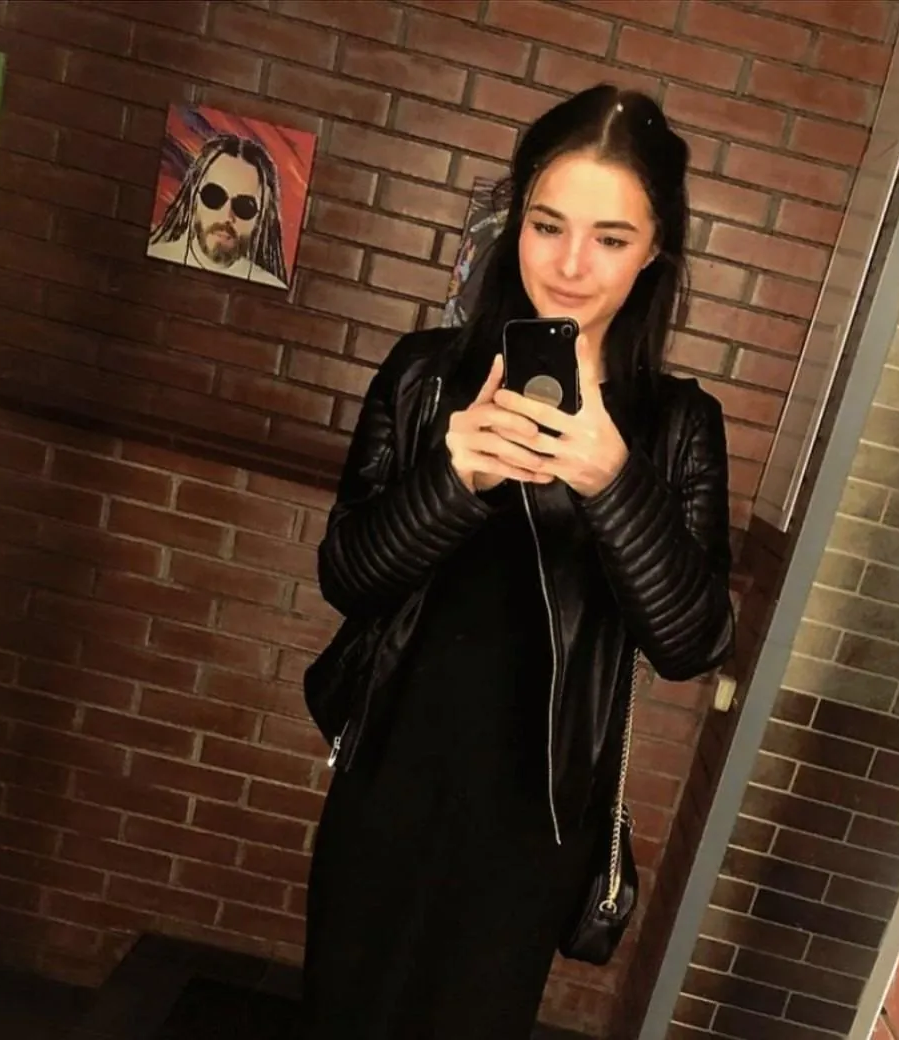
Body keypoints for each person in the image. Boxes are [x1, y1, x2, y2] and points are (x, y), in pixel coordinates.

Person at [298, 84, 734, 1040]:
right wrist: (453, 477)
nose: (571, 265)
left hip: (536, 827)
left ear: (655, 249)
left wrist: (613, 480)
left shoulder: (677, 427)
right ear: (517, 223)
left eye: (611, 238)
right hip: (387, 786)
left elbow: (693, 642)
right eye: (547, 225)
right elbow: (348, 577)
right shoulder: (425, 378)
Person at [148, 132, 288, 288]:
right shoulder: (155, 257)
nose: (227, 216)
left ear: (261, 217)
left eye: (244, 206)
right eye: (214, 196)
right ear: (194, 196)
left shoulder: (269, 286)